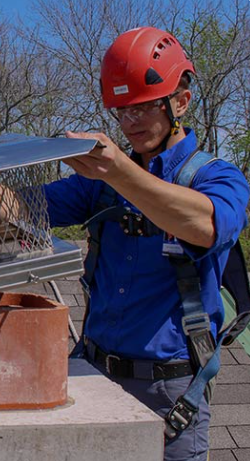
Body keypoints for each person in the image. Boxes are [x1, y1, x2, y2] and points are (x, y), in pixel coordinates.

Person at [45, 27, 249, 460]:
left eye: (142, 107)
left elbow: (205, 225)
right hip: (92, 377)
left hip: (170, 395)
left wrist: (117, 170)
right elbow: (22, 210)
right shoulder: (101, 184)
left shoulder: (216, 177)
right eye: (121, 111)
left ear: (181, 102)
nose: (130, 122)